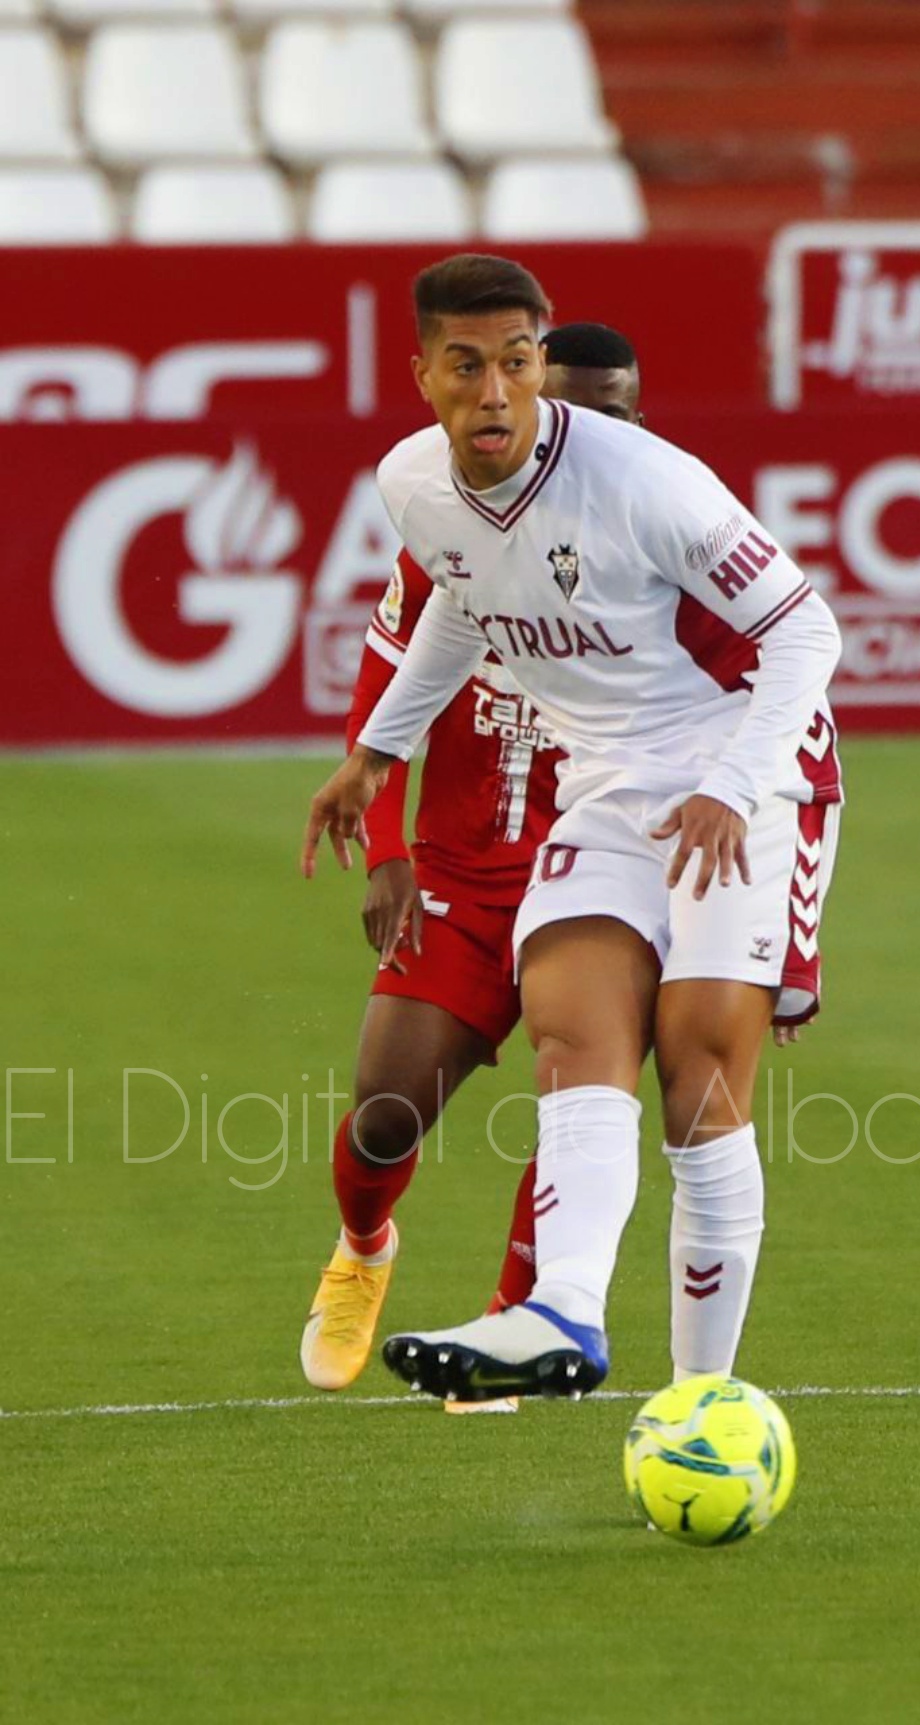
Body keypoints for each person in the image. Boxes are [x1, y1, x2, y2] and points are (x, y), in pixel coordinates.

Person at [303, 254, 842, 1403]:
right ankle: (561, 1312)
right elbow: (465, 598)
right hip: (606, 783)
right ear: (423, 373)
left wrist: (733, 783)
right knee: (572, 1029)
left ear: (538, 360)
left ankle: (702, 1397)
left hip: (749, 767)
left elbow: (807, 632)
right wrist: (377, 753)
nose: (494, 389)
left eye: (515, 362)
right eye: (466, 365)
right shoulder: (413, 484)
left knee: (698, 1078)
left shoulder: (650, 481)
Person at [300, 325, 650, 1403]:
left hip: (595, 874)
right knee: (385, 1111)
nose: (587, 434)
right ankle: (363, 1247)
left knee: (578, 1104)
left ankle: (509, 1328)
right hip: (459, 873)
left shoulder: (667, 539)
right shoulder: (451, 533)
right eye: (569, 408)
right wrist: (390, 852)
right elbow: (388, 694)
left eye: (614, 414)